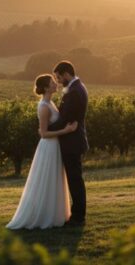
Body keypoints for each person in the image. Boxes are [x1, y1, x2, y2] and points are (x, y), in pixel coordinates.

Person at [6, 74, 77, 230]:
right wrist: (66, 130)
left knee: (53, 180)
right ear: (46, 87)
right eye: (52, 82)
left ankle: (54, 214)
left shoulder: (51, 102)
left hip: (55, 146)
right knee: (47, 179)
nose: (56, 84)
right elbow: (43, 133)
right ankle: (44, 216)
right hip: (49, 147)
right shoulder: (44, 106)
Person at [47, 60, 89, 226]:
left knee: (75, 180)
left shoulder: (73, 92)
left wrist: (46, 129)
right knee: (75, 179)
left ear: (66, 74)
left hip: (72, 141)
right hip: (74, 140)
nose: (57, 81)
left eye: (58, 77)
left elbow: (65, 119)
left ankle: (78, 217)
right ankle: (77, 214)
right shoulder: (78, 87)